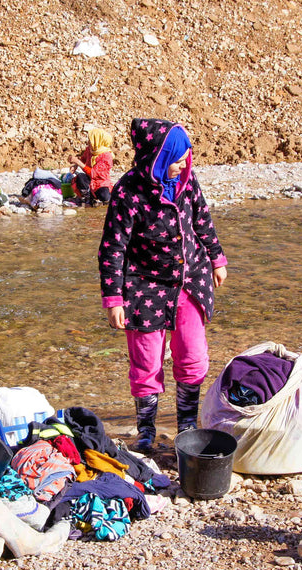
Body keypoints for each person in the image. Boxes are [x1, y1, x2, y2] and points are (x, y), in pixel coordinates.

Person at [97, 118, 228, 452]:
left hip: (190, 279)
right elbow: (113, 247)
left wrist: (216, 258)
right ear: (155, 157)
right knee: (146, 361)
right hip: (143, 286)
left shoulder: (187, 182)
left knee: (193, 355)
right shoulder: (127, 191)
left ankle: (186, 422)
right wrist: (113, 298)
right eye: (176, 158)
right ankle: (146, 429)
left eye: (186, 158)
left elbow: (202, 219)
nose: (183, 164)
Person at [66, 128, 114, 206]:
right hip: (89, 181)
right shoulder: (90, 150)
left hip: (101, 182)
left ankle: (98, 198)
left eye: (90, 140)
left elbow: (94, 173)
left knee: (104, 196)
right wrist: (75, 165)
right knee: (80, 177)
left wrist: (77, 162)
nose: (88, 142)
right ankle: (87, 198)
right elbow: (84, 159)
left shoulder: (106, 156)